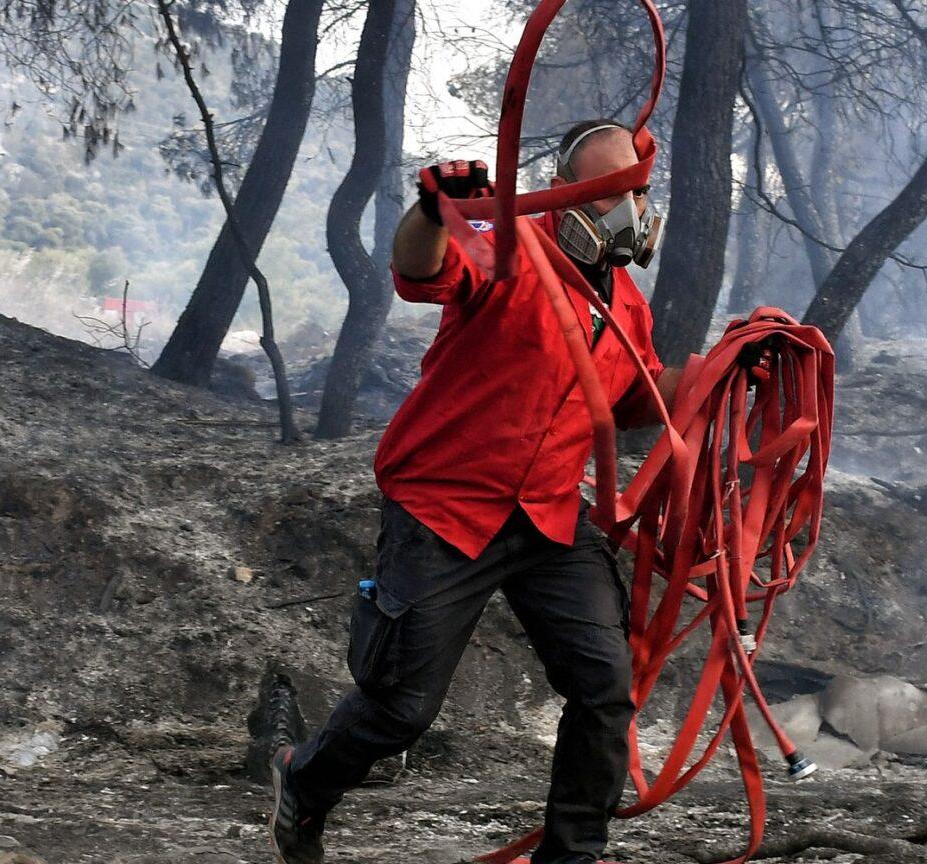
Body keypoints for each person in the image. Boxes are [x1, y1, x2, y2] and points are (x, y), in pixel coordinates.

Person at [269, 119, 686, 864]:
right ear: (568, 198)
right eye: (609, 194)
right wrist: (433, 208)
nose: (629, 212)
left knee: (605, 688)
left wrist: (727, 367)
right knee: (400, 708)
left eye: (637, 193)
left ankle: (572, 856)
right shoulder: (507, 251)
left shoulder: (627, 305)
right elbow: (418, 269)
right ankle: (303, 784)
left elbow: (631, 402)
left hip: (550, 517)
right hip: (445, 509)